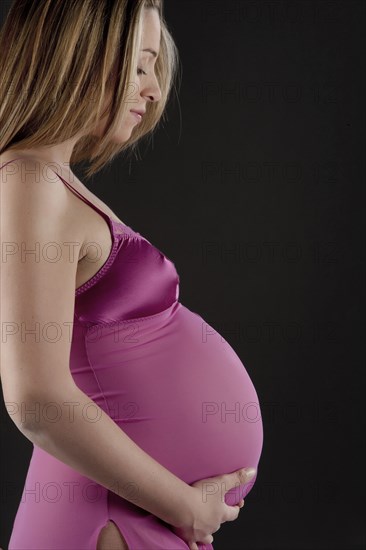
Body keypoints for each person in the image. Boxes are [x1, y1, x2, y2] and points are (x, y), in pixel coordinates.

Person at [0, 1, 263, 549]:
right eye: (139, 66)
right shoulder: (28, 182)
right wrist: (185, 505)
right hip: (106, 515)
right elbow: (37, 397)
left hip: (126, 513)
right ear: (80, 56)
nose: (153, 90)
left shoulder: (51, 180)